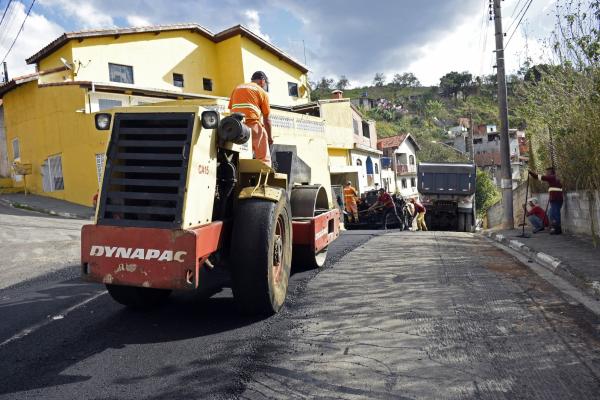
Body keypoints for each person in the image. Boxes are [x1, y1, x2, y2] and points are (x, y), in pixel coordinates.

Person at [228, 71, 273, 167]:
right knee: (263, 157)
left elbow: (231, 108)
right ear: (262, 81)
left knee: (241, 155)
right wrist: (270, 138)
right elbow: (267, 120)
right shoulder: (261, 92)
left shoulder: (237, 88)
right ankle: (265, 175)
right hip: (252, 125)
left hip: (235, 127)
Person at [529, 167, 563, 234]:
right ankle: (554, 228)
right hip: (556, 199)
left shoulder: (552, 177)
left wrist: (531, 173)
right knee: (552, 214)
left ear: (551, 172)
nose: (546, 173)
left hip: (556, 200)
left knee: (555, 214)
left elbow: (540, 177)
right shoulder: (555, 179)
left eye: (547, 172)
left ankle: (557, 229)